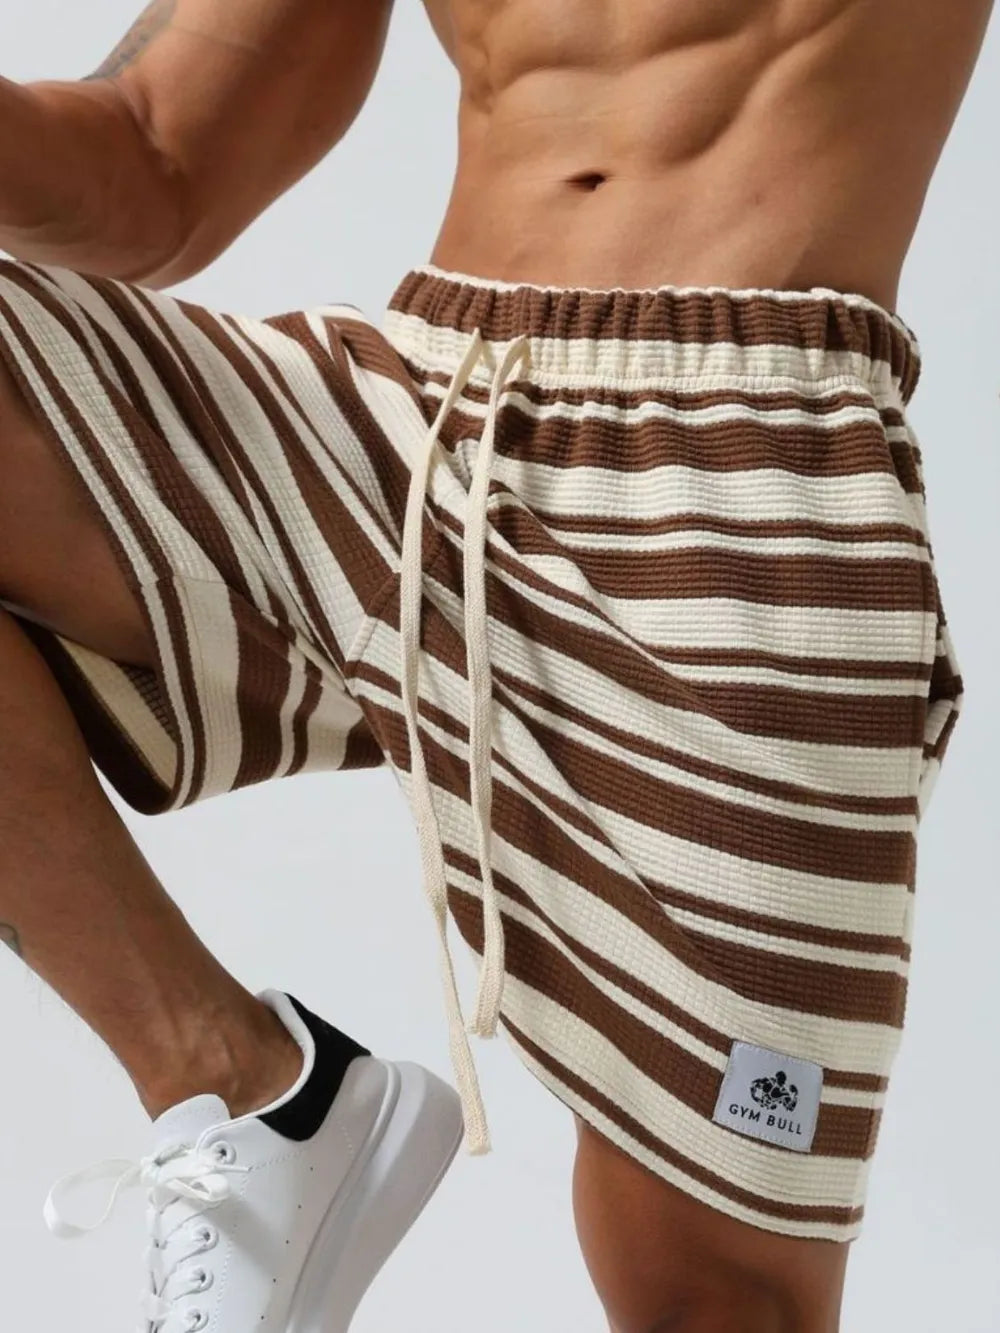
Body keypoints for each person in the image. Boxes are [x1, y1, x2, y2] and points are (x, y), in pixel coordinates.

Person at [0, 0, 989, 1329]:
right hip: (406, 421)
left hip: (749, 473)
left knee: (714, 1296)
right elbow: (153, 153)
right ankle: (244, 1082)